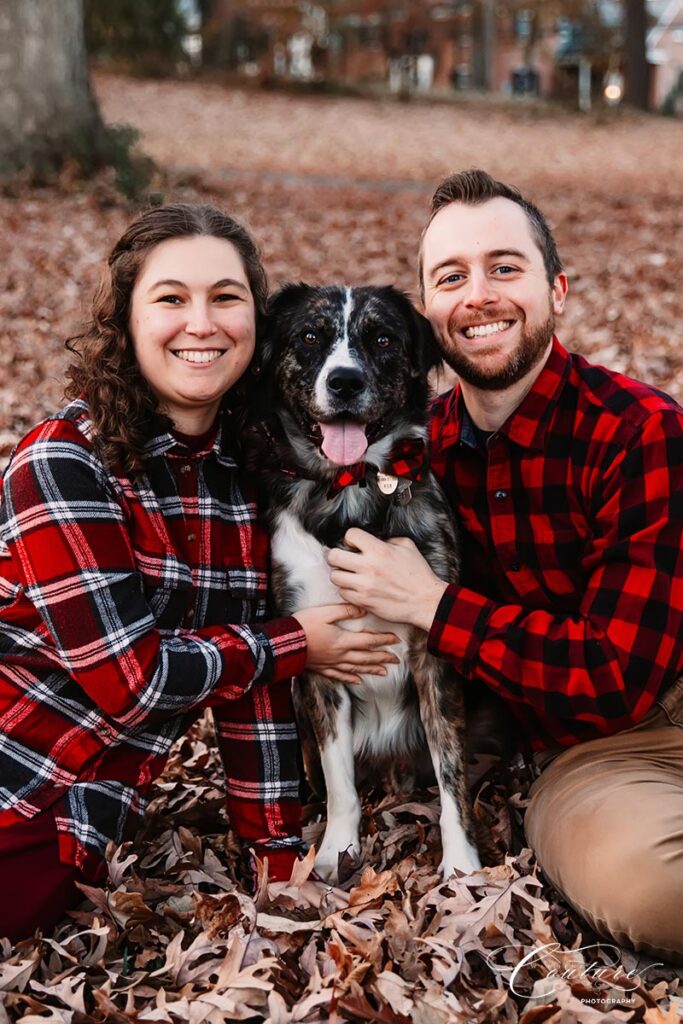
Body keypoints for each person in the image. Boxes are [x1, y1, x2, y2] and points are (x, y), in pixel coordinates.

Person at [0, 203, 397, 943]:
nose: (202, 323)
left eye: (225, 297)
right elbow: (135, 681)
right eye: (171, 298)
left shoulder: (241, 472)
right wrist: (296, 642)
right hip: (16, 782)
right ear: (125, 318)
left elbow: (248, 682)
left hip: (87, 816)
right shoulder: (63, 462)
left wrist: (275, 860)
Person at [327, 169, 683, 961]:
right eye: (451, 278)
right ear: (428, 317)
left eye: (504, 268)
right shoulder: (414, 454)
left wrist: (434, 605)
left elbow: (615, 672)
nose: (478, 294)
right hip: (596, 754)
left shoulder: (641, 432)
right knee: (651, 889)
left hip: (655, 687)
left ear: (555, 290)